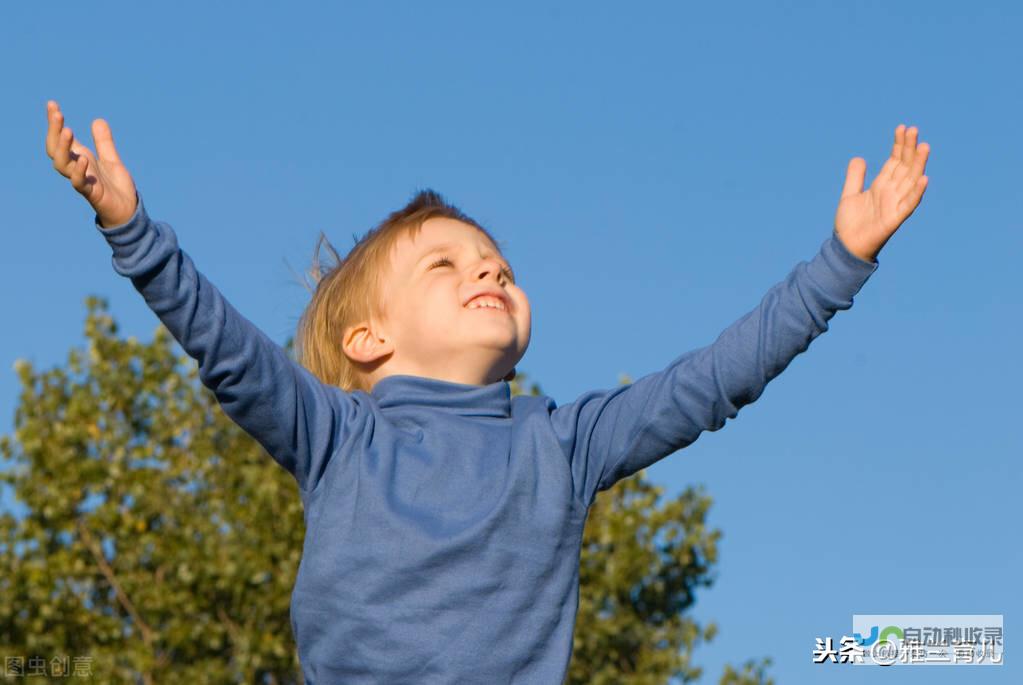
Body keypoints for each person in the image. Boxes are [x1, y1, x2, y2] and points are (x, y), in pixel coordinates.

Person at [44, 99, 929, 684]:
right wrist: (130, 227)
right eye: (446, 262)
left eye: (497, 262)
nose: (488, 268)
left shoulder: (562, 444)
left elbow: (710, 382)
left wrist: (839, 263)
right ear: (368, 340)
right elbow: (226, 348)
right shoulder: (337, 437)